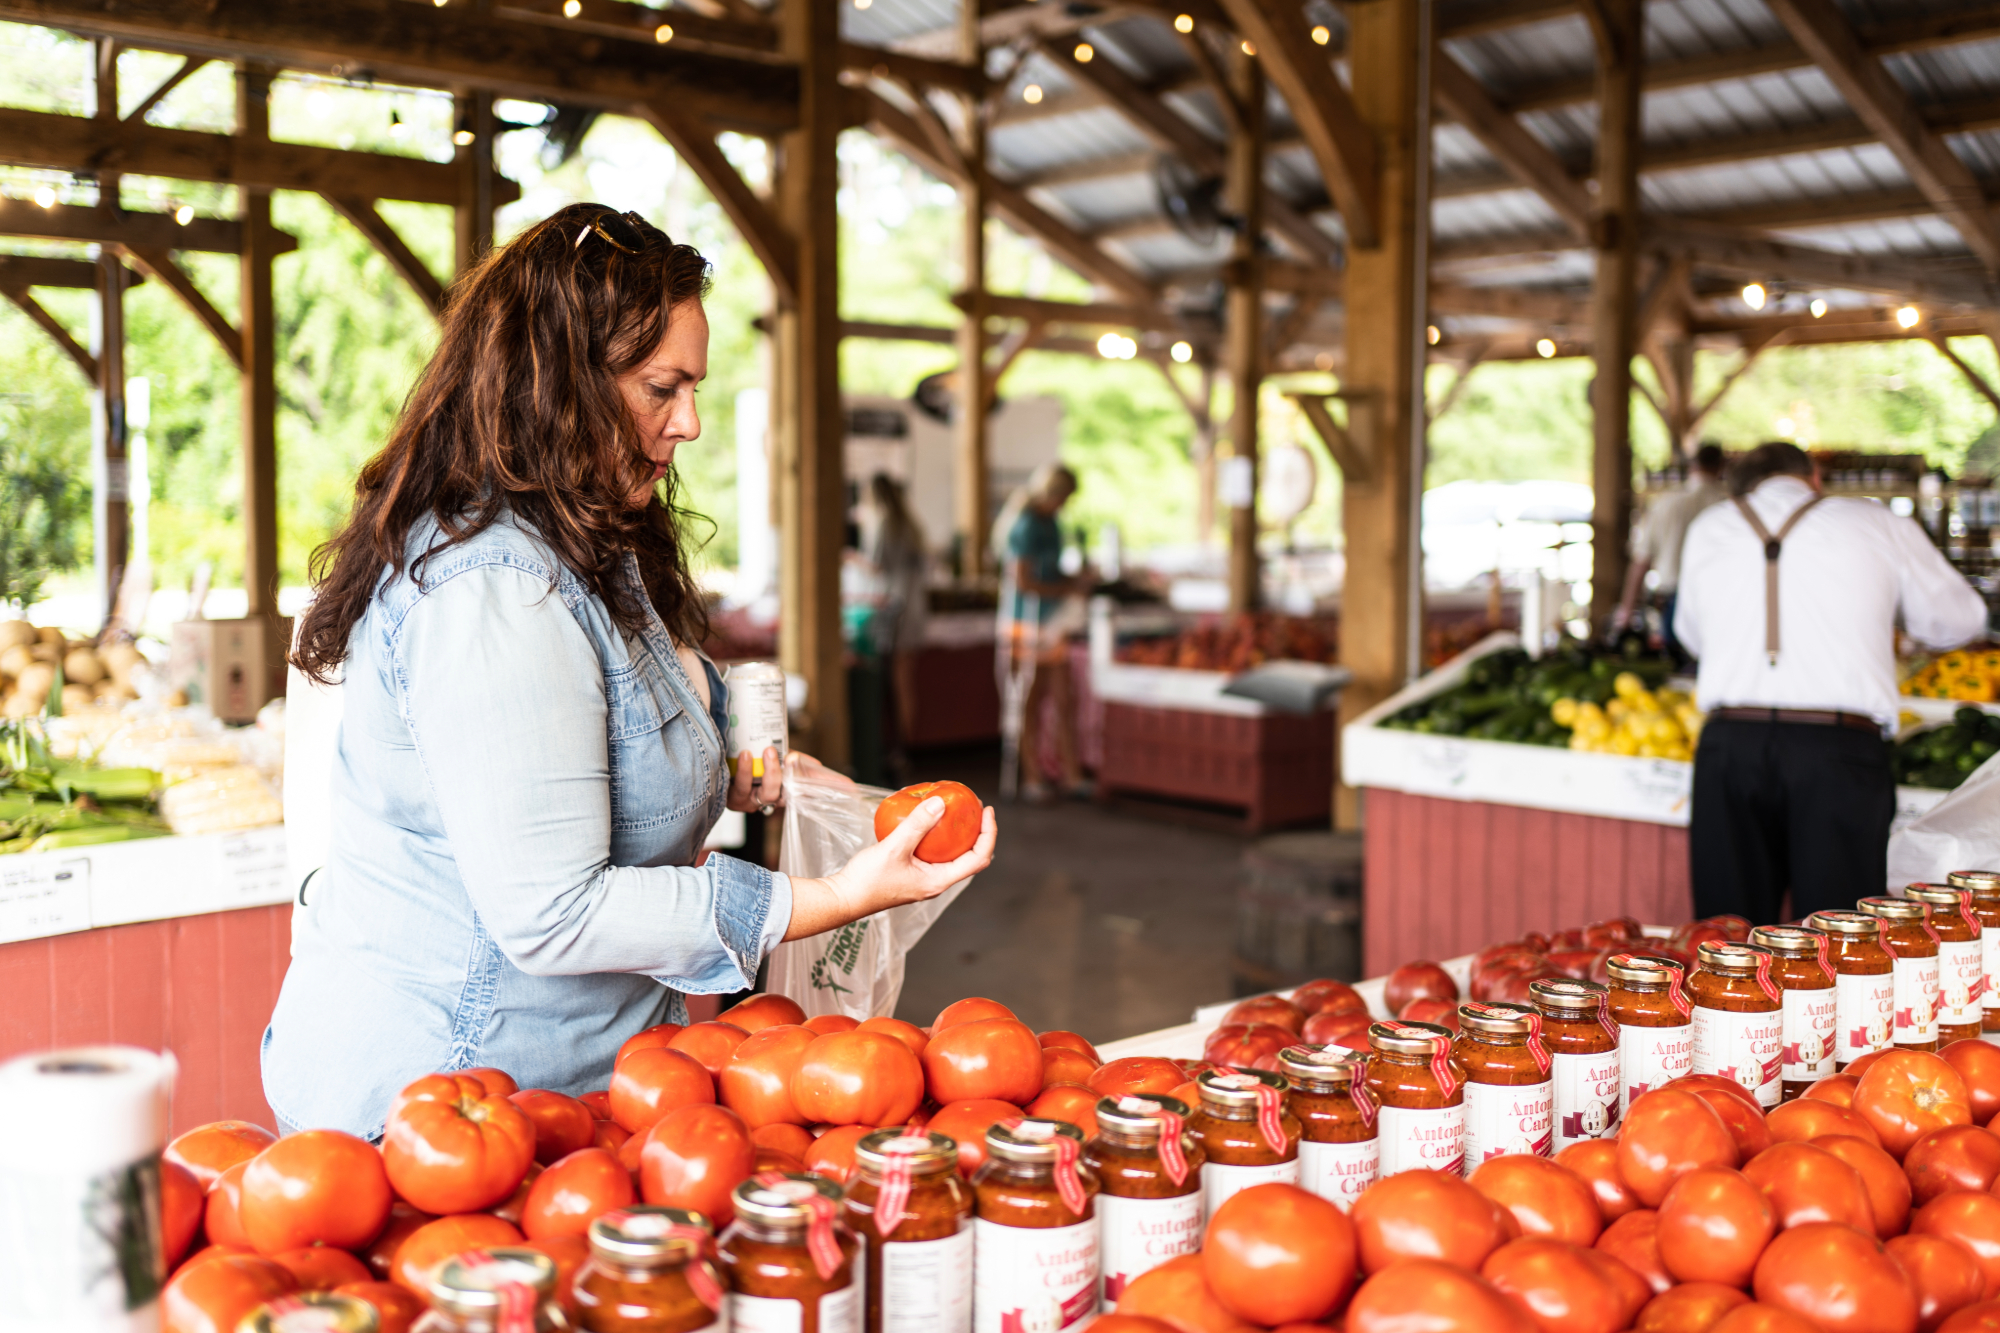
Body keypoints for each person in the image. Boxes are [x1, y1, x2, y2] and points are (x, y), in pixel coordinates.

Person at [267, 204, 996, 1137]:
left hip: (581, 1085)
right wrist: (835, 899)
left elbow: (627, 704)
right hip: (447, 1098)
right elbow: (552, 911)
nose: (689, 421)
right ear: (557, 386)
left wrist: (757, 761)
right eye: (663, 388)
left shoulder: (584, 541)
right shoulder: (496, 586)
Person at [1674, 441, 1985, 923]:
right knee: (1836, 938)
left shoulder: (1708, 527)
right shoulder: (1875, 522)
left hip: (1730, 745)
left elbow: (1691, 636)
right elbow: (1958, 620)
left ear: (1745, 486)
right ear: (1814, 477)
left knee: (1728, 936)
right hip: (1837, 749)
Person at [996, 462, 1090, 801]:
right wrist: (1065, 590)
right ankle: (1032, 775)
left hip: (1052, 622)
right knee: (1028, 699)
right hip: (1026, 622)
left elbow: (1051, 574)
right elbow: (1023, 581)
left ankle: (1070, 772)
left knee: (1065, 698)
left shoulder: (1052, 524)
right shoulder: (1025, 526)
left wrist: (1075, 582)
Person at [1616, 442, 1727, 665]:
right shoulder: (1727, 503)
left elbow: (1641, 561)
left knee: (1675, 670)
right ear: (1721, 467)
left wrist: (1626, 611)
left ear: (1692, 466)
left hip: (1672, 597)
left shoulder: (1665, 503)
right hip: (1717, 598)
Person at [865, 472, 928, 776]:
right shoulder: (911, 524)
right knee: (907, 682)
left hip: (898, 608)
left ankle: (899, 749)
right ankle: (904, 747)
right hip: (916, 606)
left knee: (898, 682)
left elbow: (877, 566)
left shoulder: (886, 523)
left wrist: (850, 559)